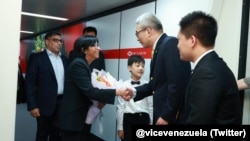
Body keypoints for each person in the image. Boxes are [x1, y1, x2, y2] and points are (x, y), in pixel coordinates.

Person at [58, 36, 132, 141]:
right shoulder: (78, 64)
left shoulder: (84, 64)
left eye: (98, 45)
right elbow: (90, 91)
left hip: (80, 117)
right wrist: (117, 91)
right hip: (73, 119)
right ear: (84, 50)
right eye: (94, 46)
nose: (98, 48)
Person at [176, 11, 242, 124]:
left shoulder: (206, 73)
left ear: (192, 40)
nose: (177, 45)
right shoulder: (213, 65)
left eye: (179, 40)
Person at [132, 13, 191, 125]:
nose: (137, 38)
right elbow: (156, 84)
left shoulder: (170, 44)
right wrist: (134, 91)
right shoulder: (159, 47)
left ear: (148, 31)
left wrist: (166, 116)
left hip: (170, 119)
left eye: (137, 33)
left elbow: (177, 85)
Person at [25, 31, 68, 141]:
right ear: (47, 41)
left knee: (57, 133)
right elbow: (29, 83)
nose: (59, 43)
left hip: (61, 102)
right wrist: (32, 105)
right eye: (55, 40)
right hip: (44, 103)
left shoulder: (64, 60)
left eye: (60, 41)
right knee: (42, 134)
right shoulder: (37, 58)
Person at [117, 55, 153, 141]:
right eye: (137, 65)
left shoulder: (148, 86)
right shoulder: (123, 85)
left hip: (143, 118)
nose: (141, 68)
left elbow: (151, 106)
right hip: (128, 119)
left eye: (143, 66)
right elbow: (120, 107)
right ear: (129, 68)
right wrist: (120, 127)